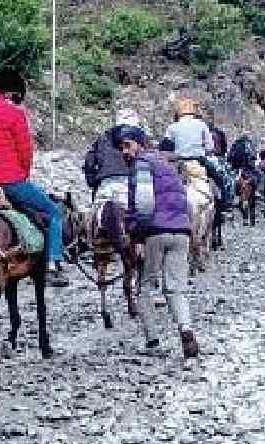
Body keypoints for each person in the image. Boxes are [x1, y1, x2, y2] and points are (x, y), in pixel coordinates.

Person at [0, 67, 68, 286]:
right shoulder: (14, 114)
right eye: (16, 96)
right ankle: (53, 264)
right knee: (53, 213)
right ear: (10, 93)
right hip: (9, 182)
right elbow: (25, 153)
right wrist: (21, 178)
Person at [115, 126, 199, 358]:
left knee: (144, 287)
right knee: (176, 288)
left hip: (155, 232)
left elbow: (143, 204)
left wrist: (137, 236)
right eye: (122, 147)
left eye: (128, 146)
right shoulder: (168, 166)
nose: (125, 152)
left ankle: (153, 341)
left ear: (139, 145)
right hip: (181, 231)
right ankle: (186, 329)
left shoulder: (142, 165)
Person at [84, 110, 139, 203]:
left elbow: (89, 162)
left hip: (105, 184)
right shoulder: (138, 139)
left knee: (101, 215)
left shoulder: (103, 138)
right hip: (128, 184)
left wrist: (92, 181)